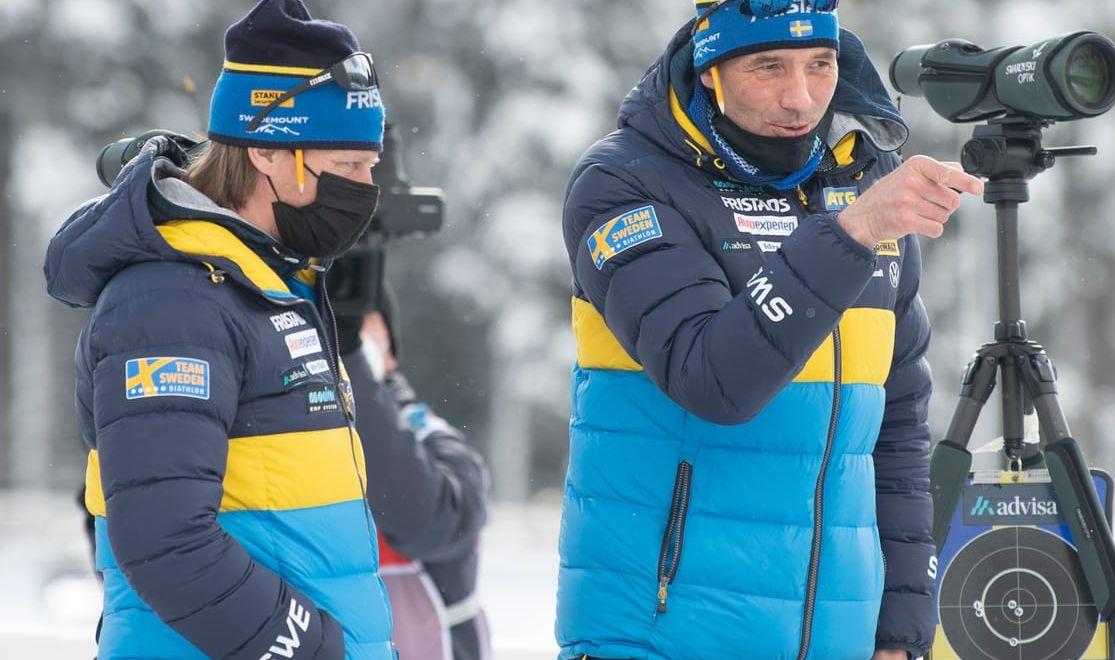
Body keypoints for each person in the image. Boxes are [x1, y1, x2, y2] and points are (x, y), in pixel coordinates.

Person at [556, 1, 983, 658]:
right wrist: (850, 234)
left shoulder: (857, 176)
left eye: (820, 65)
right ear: (709, 69)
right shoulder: (624, 183)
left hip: (834, 637)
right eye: (767, 67)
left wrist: (900, 629)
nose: (800, 97)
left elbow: (894, 432)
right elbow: (713, 381)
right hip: (663, 631)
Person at [44, 0, 394, 657]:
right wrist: (315, 649)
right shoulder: (171, 302)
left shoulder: (268, 286)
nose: (367, 187)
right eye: (348, 166)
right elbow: (164, 541)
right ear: (268, 151)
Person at [338, 299, 493, 660]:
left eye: (358, 323)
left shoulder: (430, 434)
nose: (339, 332)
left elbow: (435, 522)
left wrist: (352, 369)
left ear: (389, 347)